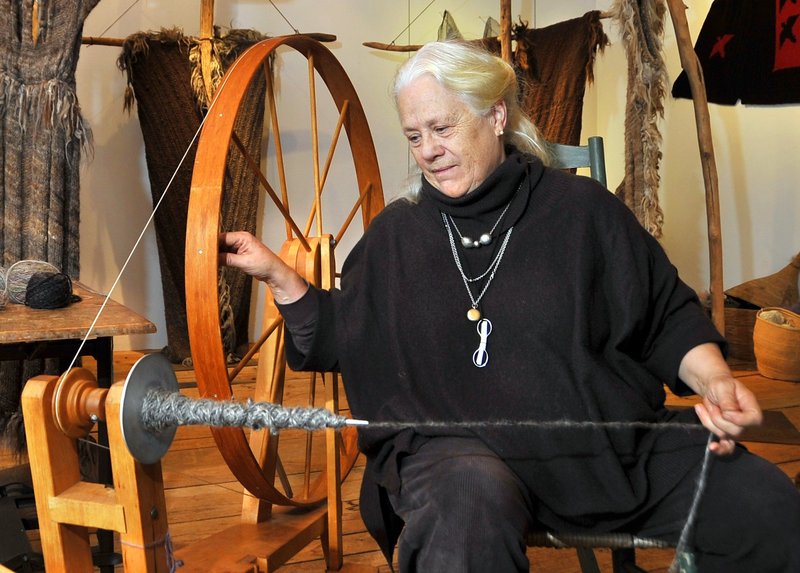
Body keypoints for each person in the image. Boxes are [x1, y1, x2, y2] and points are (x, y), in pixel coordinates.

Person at [219, 41, 800, 572]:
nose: (429, 151)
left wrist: (716, 379)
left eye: (442, 127)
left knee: (767, 506)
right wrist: (281, 279)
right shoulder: (397, 236)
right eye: (415, 136)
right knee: (463, 514)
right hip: (463, 464)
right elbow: (346, 332)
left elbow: (664, 313)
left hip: (604, 453)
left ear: (496, 117)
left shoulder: (582, 212)